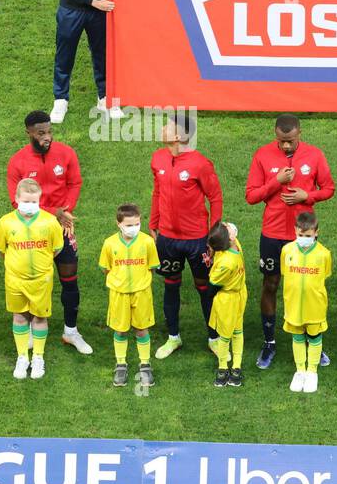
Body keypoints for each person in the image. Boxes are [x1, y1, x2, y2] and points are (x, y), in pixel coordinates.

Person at [245, 113, 335, 369]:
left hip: (303, 236)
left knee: (309, 286)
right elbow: (251, 196)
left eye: (291, 141)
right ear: (276, 135)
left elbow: (329, 188)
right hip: (272, 233)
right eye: (282, 141)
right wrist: (277, 182)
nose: (286, 145)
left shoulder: (315, 155)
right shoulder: (262, 155)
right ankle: (269, 342)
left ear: (299, 134)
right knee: (271, 284)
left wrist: (308, 196)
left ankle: (313, 338)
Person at [6, 110, 90, 354]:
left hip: (63, 227)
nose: (47, 137)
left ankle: (71, 332)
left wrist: (66, 210)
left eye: (50, 131)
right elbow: (16, 202)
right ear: (29, 133)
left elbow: (75, 183)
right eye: (41, 132)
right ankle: (32, 327)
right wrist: (53, 212)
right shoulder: (18, 161)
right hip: (32, 232)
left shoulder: (66, 154)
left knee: (70, 280)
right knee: (33, 281)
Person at [149, 114, 224, 359]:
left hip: (197, 240)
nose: (162, 128)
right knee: (171, 286)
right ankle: (173, 338)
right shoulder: (158, 158)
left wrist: (214, 234)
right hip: (168, 239)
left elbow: (215, 197)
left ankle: (214, 338)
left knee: (205, 288)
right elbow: (157, 191)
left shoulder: (200, 163)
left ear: (179, 136)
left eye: (168, 126)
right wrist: (154, 222)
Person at [0, 178, 64, 380]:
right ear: (16, 198)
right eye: (26, 201)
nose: (30, 205)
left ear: (39, 200)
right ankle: (22, 356)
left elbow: (57, 248)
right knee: (19, 316)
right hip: (15, 281)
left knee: (40, 318)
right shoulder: (5, 222)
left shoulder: (50, 222)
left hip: (41, 281)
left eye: (34, 201)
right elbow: (0, 249)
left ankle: (38, 358)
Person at [98, 203, 159, 388]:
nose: (134, 228)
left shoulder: (147, 241)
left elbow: (152, 266)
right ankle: (121, 364)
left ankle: (145, 364)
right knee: (121, 330)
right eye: (129, 224)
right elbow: (106, 268)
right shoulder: (109, 243)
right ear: (119, 224)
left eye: (137, 223)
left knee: (142, 329)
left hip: (141, 293)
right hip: (119, 294)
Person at [280, 210, 332, 395]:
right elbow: (285, 273)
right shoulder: (286, 250)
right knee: (297, 336)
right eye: (301, 235)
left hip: (315, 305)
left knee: (315, 337)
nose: (304, 238)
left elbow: (325, 275)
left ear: (316, 232)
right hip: (293, 303)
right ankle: (300, 370)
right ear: (295, 230)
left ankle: (312, 371)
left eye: (308, 235)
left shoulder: (324, 254)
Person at [207, 222, 247, 388]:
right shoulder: (226, 262)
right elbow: (212, 285)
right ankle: (224, 367)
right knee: (226, 336)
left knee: (236, 332)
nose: (229, 225)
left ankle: (235, 367)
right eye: (226, 227)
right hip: (227, 300)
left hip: (239, 296)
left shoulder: (234, 244)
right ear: (229, 238)